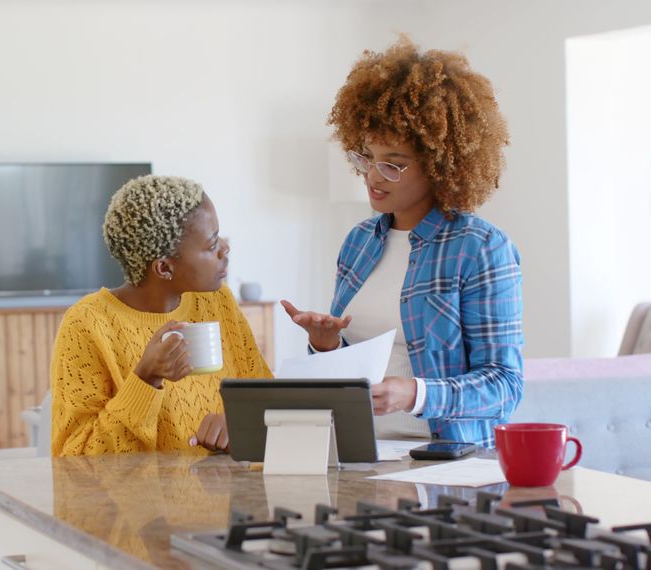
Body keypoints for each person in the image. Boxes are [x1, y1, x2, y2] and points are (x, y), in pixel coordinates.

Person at [282, 37, 523, 448]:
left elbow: (505, 385)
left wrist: (415, 394)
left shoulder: (480, 248)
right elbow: (355, 366)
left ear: (441, 164)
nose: (373, 177)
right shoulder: (358, 243)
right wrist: (326, 347)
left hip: (443, 460)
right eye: (366, 157)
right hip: (355, 453)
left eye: (393, 164)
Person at [51, 175, 272, 456]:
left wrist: (238, 426)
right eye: (212, 243)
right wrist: (146, 378)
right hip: (140, 500)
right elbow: (76, 460)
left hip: (227, 496)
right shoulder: (87, 324)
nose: (225, 249)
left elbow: (265, 402)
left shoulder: (217, 300)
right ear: (164, 268)